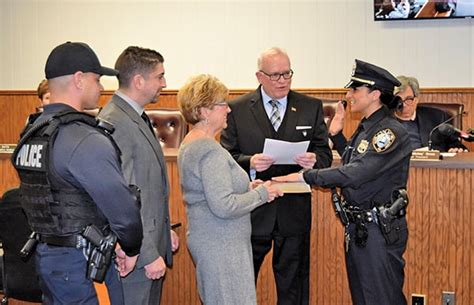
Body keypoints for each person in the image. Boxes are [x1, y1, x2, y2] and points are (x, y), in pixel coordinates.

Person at [11, 41, 143, 304]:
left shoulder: (32, 134)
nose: (102, 87)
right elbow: (123, 213)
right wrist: (131, 247)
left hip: (48, 259)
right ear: (79, 79)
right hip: (84, 265)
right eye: (97, 79)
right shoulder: (83, 139)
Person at [275, 59, 412, 305]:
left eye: (355, 89)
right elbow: (354, 160)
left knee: (382, 299)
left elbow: (356, 173)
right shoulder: (369, 127)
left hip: (378, 231)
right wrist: (337, 136)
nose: (349, 95)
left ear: (375, 94)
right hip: (360, 229)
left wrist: (305, 176)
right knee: (364, 298)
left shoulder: (389, 132)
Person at [220, 47, 332, 305]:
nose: (283, 81)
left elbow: (324, 154)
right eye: (275, 75)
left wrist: (314, 160)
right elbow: (227, 158)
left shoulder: (310, 107)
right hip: (252, 210)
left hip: (293, 211)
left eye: (287, 74)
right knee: (242, 284)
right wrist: (251, 162)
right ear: (259, 76)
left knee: (294, 286)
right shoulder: (236, 109)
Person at [177, 74, 283, 305]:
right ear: (204, 110)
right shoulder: (207, 149)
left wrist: (249, 188)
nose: (228, 110)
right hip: (222, 247)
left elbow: (214, 192)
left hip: (216, 242)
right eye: (223, 104)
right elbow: (224, 205)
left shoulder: (193, 142)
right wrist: (262, 194)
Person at [98, 46, 178, 305]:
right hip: (134, 257)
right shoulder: (116, 121)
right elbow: (123, 199)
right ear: (139, 80)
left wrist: (164, 233)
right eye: (160, 76)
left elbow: (147, 186)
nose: (164, 83)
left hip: (149, 245)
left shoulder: (133, 116)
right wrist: (145, 252)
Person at [393, 75, 468, 152]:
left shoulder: (438, 118)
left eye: (408, 99)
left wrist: (456, 150)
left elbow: (456, 146)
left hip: (431, 163)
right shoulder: (383, 119)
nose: (403, 104)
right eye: (398, 100)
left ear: (416, 99)